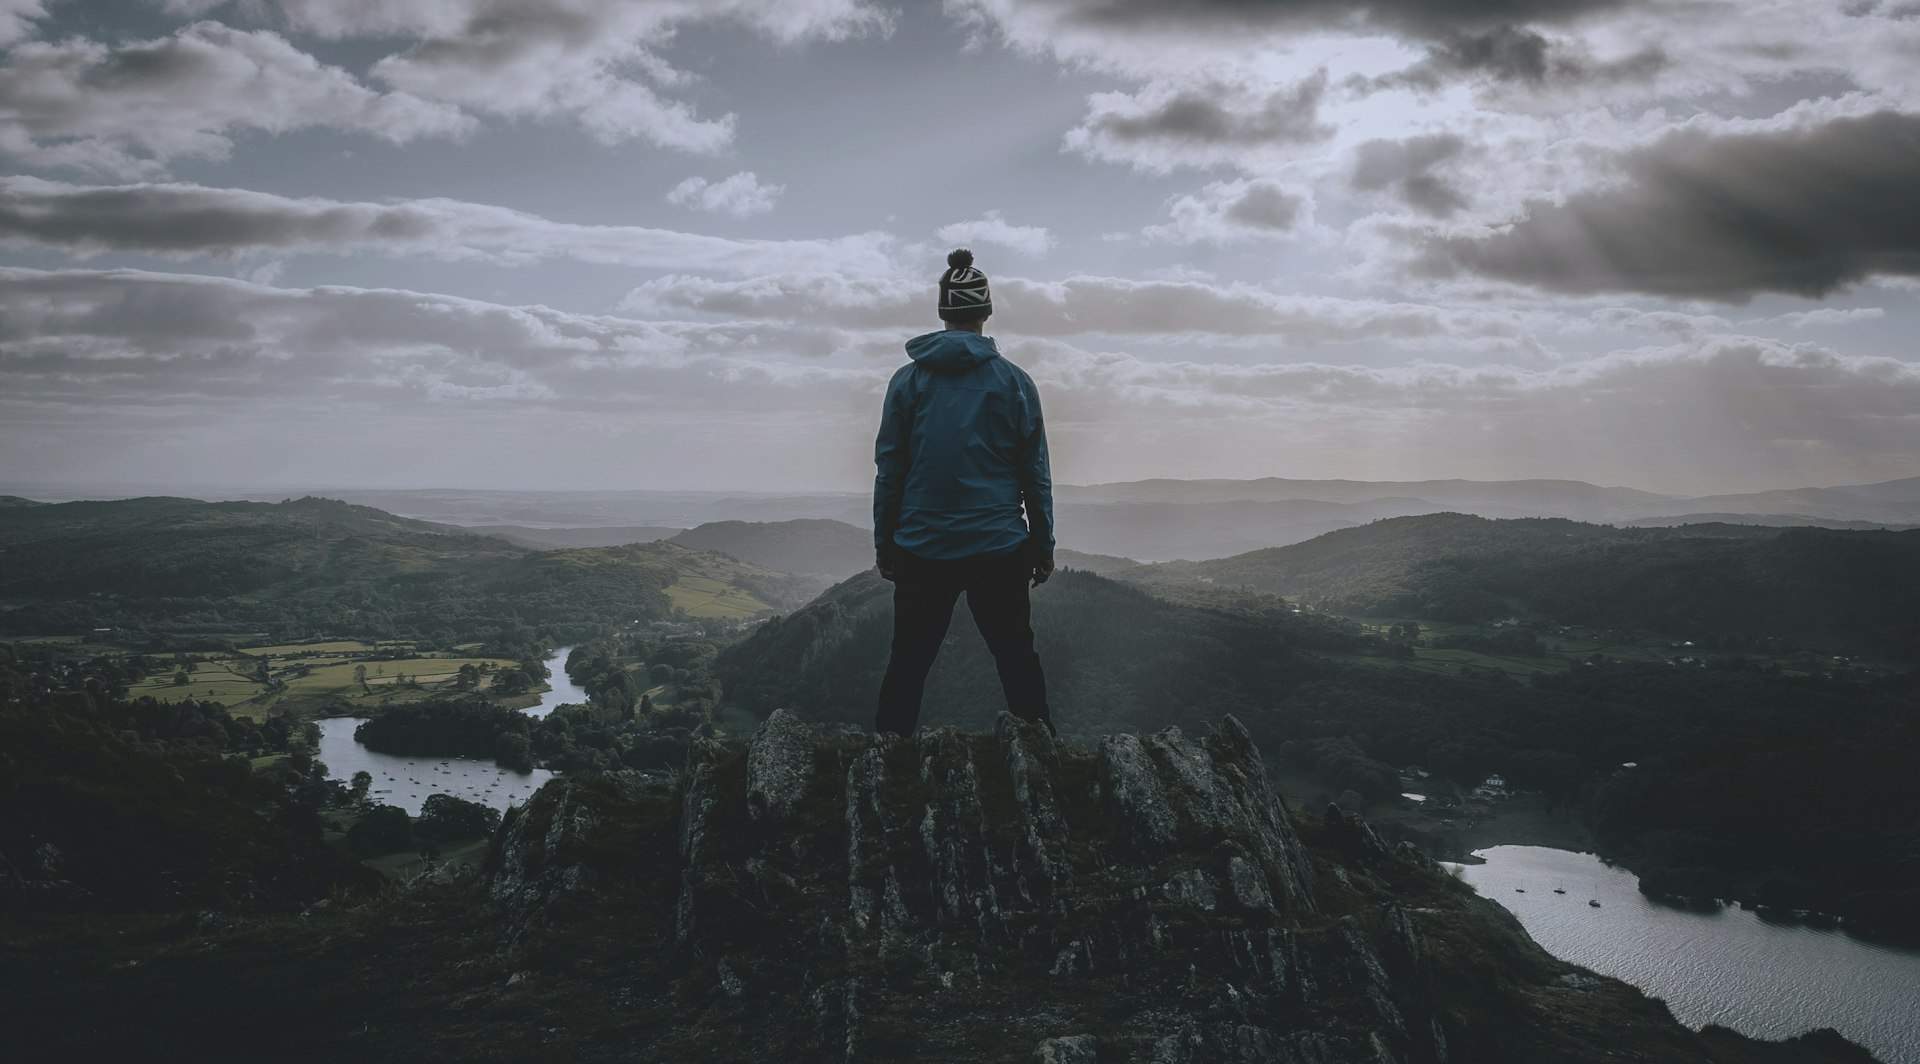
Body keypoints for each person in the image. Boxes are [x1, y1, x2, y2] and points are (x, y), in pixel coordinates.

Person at [872, 248, 1055, 737]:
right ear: (987, 311)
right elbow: (1034, 472)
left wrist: (885, 544)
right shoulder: (1015, 382)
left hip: (921, 545)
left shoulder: (907, 383)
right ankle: (1042, 759)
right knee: (1016, 658)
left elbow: (890, 470)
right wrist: (1042, 544)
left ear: (942, 313)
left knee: (908, 663)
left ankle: (887, 762)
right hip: (998, 545)